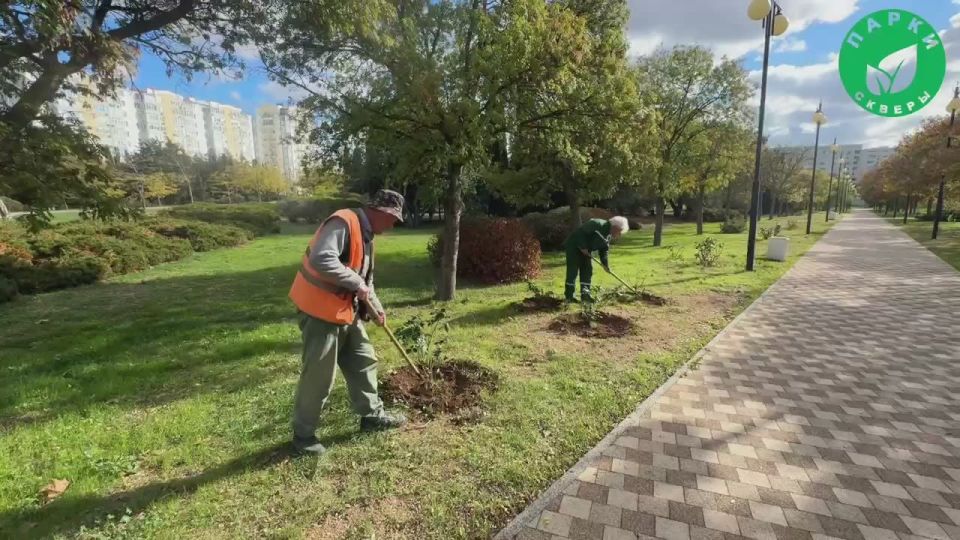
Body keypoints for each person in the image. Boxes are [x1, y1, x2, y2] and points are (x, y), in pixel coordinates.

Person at [288, 189, 408, 455]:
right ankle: (303, 437)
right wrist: (356, 285)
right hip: (319, 312)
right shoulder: (343, 221)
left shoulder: (367, 237)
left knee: (364, 360)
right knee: (319, 378)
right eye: (392, 220)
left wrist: (376, 308)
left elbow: (366, 280)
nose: (392, 226)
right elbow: (322, 258)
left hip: (345, 312)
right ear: (380, 212)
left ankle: (372, 417)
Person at [563, 216, 629, 303]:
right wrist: (583, 246)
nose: (619, 235)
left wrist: (605, 264)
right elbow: (580, 233)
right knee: (573, 271)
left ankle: (585, 296)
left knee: (587, 270)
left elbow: (604, 250)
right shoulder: (597, 224)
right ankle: (569, 297)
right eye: (619, 232)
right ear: (615, 227)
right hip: (574, 247)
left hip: (587, 251)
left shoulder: (608, 235)